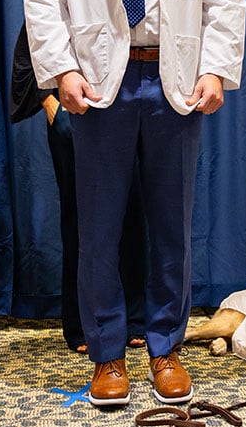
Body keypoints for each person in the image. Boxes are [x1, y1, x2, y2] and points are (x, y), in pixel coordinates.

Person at [22, 0, 246, 407]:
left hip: (173, 82)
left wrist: (214, 69)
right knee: (98, 227)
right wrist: (60, 68)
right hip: (101, 85)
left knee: (171, 225)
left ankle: (167, 347)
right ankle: (107, 355)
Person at [10, 23, 149, 356]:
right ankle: (81, 323)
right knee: (81, 221)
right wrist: (49, 103)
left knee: (135, 215)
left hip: (132, 108)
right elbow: (32, 43)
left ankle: (136, 317)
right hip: (75, 114)